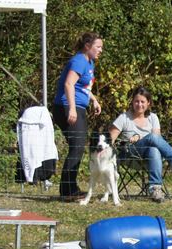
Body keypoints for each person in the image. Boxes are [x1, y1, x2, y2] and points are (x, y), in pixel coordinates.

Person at [109, 86, 172, 203]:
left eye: (142, 102)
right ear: (132, 102)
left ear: (148, 103)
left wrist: (141, 137)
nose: (139, 104)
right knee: (152, 138)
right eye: (136, 101)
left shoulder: (153, 117)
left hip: (150, 158)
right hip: (129, 154)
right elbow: (110, 140)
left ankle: (155, 189)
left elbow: (156, 141)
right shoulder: (124, 118)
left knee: (154, 149)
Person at [52, 31, 103, 200]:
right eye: (98, 47)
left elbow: (83, 88)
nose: (100, 50)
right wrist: (72, 109)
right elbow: (68, 84)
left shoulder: (89, 63)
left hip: (79, 106)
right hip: (66, 106)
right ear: (87, 46)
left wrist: (94, 100)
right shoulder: (79, 60)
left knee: (79, 146)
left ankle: (70, 188)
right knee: (77, 146)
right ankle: (67, 191)